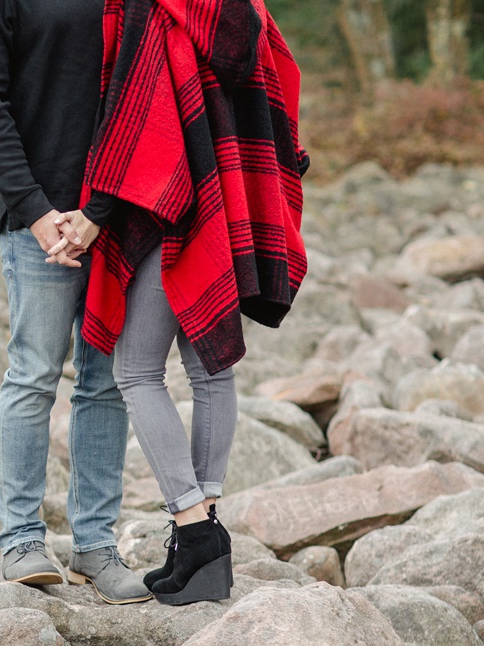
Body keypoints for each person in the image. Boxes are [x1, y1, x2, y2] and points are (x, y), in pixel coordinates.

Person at [56, 0, 309, 604]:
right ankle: (206, 538)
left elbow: (138, 122)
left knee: (136, 371)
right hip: (228, 197)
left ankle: (194, 530)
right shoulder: (248, 11)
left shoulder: (155, 10)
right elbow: (286, 92)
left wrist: (96, 215)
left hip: (172, 208)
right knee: (209, 369)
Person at [0, 0, 151, 605]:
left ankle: (95, 544)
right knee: (34, 374)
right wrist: (37, 212)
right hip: (37, 220)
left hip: (116, 216)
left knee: (106, 381)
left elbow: (141, 101)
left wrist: (100, 213)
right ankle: (20, 541)